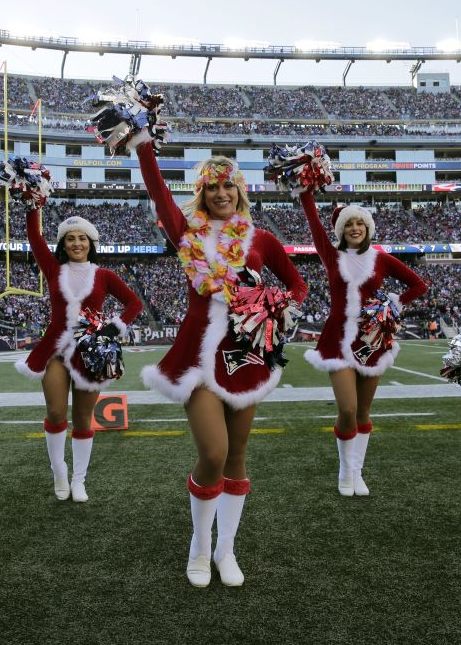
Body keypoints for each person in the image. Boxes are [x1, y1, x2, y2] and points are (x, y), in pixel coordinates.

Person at [137, 138, 307, 588]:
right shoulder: (186, 233)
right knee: (212, 453)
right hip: (197, 356)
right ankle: (198, 547)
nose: (221, 194)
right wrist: (142, 142)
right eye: (212, 188)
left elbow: (297, 286)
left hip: (246, 355)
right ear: (202, 194)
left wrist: (275, 306)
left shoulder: (261, 239)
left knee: (237, 455)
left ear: (239, 190)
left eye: (228, 186)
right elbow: (157, 190)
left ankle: (226, 549)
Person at [299, 192, 427, 496]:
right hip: (338, 338)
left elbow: (419, 285)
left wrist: (394, 303)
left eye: (360, 223)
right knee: (347, 408)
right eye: (348, 224)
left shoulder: (381, 258)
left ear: (368, 227)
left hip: (372, 338)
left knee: (363, 412)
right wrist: (305, 192)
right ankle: (345, 472)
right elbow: (315, 223)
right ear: (341, 231)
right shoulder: (332, 255)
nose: (355, 228)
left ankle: (357, 472)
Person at [15, 206, 143, 503]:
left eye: (82, 238)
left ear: (91, 243)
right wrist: (33, 203)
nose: (76, 243)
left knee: (84, 420)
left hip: (91, 354)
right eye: (70, 238)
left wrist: (112, 329)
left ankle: (79, 479)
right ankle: (59, 471)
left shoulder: (105, 275)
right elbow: (34, 236)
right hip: (56, 351)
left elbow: (134, 303)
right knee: (57, 413)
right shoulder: (52, 268)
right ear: (63, 244)